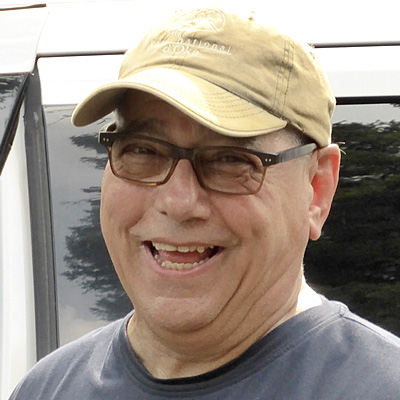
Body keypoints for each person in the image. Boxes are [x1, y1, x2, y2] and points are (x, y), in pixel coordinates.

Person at [10, 6, 400, 400]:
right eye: (143, 150)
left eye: (230, 159)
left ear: (317, 189)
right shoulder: (47, 389)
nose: (178, 202)